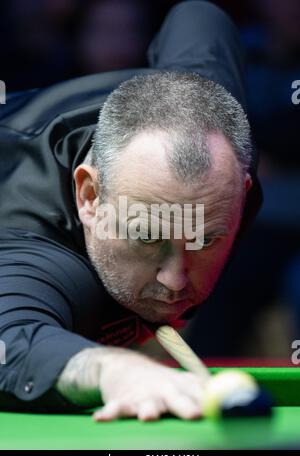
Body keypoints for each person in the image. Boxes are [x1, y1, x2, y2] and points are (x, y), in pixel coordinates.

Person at [0, 1, 261, 421]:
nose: (175, 281)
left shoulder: (222, 137)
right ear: (89, 197)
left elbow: (198, 16)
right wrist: (114, 370)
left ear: (242, 192)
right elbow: (11, 341)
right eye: (148, 237)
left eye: (205, 238)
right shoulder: (36, 247)